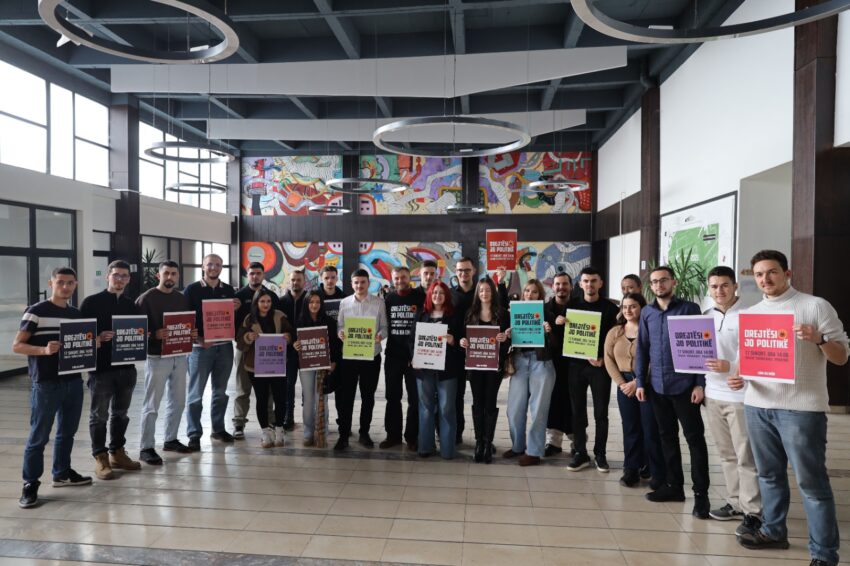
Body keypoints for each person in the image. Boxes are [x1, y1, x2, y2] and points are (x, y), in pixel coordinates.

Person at [731, 250, 848, 566]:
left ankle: (824, 553)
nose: (765, 279)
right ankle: (773, 531)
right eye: (759, 274)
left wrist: (819, 338)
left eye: (771, 272)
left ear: (787, 273)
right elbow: (745, 359)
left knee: (811, 483)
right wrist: (739, 377)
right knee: (768, 476)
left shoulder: (815, 306)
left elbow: (841, 356)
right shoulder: (752, 313)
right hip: (757, 406)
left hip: (801, 410)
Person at [635, 266, 711, 519]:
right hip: (657, 386)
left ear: (673, 282)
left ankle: (701, 495)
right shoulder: (647, 312)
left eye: (663, 280)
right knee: (667, 438)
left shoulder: (689, 309)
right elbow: (642, 349)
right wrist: (640, 382)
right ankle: (674, 487)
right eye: (654, 282)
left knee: (694, 440)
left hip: (685, 387)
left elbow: (701, 346)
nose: (659, 285)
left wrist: (700, 383)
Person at [15, 267, 92, 509]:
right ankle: (30, 483)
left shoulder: (76, 315)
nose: (65, 287)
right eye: (60, 282)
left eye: (70, 283)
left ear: (75, 285)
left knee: (67, 433)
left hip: (73, 381)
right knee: (39, 437)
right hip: (46, 383)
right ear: (51, 284)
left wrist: (94, 343)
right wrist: (43, 350)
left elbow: (81, 344)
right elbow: (17, 345)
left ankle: (61, 473)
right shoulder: (36, 311)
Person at [701, 266, 762, 531]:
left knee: (745, 455)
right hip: (712, 395)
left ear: (735, 286)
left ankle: (753, 511)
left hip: (740, 396)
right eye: (714, 286)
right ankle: (735, 502)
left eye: (725, 285)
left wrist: (731, 366)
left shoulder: (750, 316)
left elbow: (757, 354)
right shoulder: (705, 316)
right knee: (726, 454)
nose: (719, 291)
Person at [80, 260, 142, 480]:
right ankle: (100, 457)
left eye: (124, 276)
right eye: (116, 275)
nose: (120, 279)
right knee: (99, 416)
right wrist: (97, 338)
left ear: (129, 279)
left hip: (126, 368)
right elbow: (80, 333)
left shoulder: (131, 305)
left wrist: (142, 336)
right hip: (101, 369)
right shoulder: (91, 302)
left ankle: (117, 452)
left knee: (121, 414)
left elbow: (138, 332)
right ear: (107, 276)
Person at [136, 261, 196, 465]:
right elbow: (136, 329)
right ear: (158, 276)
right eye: (166, 273)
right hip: (156, 357)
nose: (170, 277)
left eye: (173, 274)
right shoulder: (146, 299)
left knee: (178, 401)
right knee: (152, 404)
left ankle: (170, 439)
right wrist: (154, 334)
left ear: (178, 276)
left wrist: (191, 333)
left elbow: (186, 322)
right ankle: (146, 447)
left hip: (180, 355)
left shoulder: (181, 298)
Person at [603, 292, 664, 488]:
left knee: (650, 427)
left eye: (633, 306)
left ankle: (654, 470)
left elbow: (655, 358)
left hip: (647, 384)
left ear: (642, 308)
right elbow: (608, 359)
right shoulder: (615, 332)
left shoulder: (650, 330)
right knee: (630, 427)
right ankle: (631, 468)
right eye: (625, 307)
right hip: (624, 385)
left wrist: (638, 382)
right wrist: (622, 383)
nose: (628, 310)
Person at [183, 253, 240, 451]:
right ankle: (194, 434)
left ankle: (218, 429)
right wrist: (198, 339)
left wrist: (237, 308)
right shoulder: (192, 290)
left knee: (220, 392)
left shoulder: (229, 290)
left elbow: (232, 319)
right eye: (210, 264)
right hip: (200, 349)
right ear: (203, 266)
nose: (213, 268)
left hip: (224, 346)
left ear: (222, 267)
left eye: (217, 265)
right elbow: (185, 319)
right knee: (195, 393)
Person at [565, 267, 619, 473]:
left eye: (593, 281)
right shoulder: (571, 306)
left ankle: (600, 454)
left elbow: (616, 339)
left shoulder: (610, 309)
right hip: (576, 365)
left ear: (600, 283)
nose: (589, 284)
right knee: (577, 411)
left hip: (600, 367)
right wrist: (559, 321)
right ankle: (580, 452)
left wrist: (604, 359)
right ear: (580, 284)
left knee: (601, 413)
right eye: (586, 281)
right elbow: (564, 335)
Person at [504, 279, 556, 466]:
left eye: (534, 292)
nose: (529, 295)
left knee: (538, 409)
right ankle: (518, 446)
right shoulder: (514, 312)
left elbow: (557, 345)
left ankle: (534, 452)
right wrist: (508, 335)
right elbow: (506, 341)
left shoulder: (547, 313)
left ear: (540, 295)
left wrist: (549, 332)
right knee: (514, 409)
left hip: (541, 363)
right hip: (520, 360)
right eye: (527, 291)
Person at [335, 269, 388, 451]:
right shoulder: (344, 303)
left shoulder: (379, 303)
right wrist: (341, 333)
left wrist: (380, 336)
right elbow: (340, 326)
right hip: (349, 357)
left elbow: (384, 327)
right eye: (356, 282)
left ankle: (364, 432)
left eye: (363, 282)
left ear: (368, 283)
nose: (359, 285)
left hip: (371, 356)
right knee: (346, 397)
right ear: (352, 284)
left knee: (368, 396)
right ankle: (343, 435)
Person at [459, 277, 510, 464]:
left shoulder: (502, 314)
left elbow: (510, 340)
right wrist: (462, 342)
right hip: (475, 366)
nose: (484, 293)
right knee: (477, 402)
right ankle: (479, 442)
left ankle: (488, 443)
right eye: (481, 290)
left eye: (488, 290)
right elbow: (463, 336)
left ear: (493, 292)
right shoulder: (471, 313)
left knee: (490, 402)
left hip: (494, 367)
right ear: (477, 293)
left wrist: (505, 338)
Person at [236, 288, 293, 448]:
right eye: (262, 301)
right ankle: (265, 432)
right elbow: (240, 340)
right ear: (256, 302)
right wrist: (248, 337)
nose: (266, 304)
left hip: (277, 365)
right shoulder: (249, 319)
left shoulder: (279, 316)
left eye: (268, 301)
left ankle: (279, 429)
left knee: (280, 398)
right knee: (261, 399)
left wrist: (288, 337)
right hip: (255, 367)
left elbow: (291, 333)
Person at [412, 281, 460, 459]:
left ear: (446, 296)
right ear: (429, 296)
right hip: (424, 370)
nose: (437, 296)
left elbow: (463, 342)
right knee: (425, 408)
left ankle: (447, 450)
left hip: (448, 371)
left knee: (446, 409)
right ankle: (425, 447)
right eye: (434, 293)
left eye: (441, 293)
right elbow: (412, 340)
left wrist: (453, 341)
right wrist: (414, 357)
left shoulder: (454, 316)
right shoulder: (421, 315)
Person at [232, 261, 281, 439]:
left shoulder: (272, 296)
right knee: (242, 388)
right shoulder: (238, 296)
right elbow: (230, 322)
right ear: (247, 275)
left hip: (268, 349)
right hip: (244, 348)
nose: (255, 276)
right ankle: (239, 423)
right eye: (252, 273)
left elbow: (278, 320)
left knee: (267, 389)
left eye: (258, 273)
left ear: (263, 275)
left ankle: (269, 421)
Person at [382, 266, 424, 450]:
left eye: (403, 277)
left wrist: (416, 354)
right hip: (393, 356)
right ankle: (393, 436)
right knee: (392, 397)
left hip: (414, 357)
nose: (400, 281)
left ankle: (412, 437)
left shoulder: (420, 297)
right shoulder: (389, 298)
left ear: (410, 278)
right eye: (396, 278)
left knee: (414, 399)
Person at [293, 291, 341, 446]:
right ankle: (308, 431)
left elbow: (335, 344)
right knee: (308, 399)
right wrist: (295, 345)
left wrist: (334, 362)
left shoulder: (329, 321)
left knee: (322, 398)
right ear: (306, 304)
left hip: (324, 365)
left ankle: (322, 429)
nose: (314, 305)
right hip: (306, 366)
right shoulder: (299, 321)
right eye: (311, 302)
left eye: (317, 302)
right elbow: (294, 341)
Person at [545, 272, 574, 457]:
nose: (561, 287)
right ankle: (553, 442)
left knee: (574, 403)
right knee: (552, 401)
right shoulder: (544, 309)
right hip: (551, 362)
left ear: (571, 286)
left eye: (564, 284)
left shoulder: (579, 308)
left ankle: (577, 442)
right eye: (557, 284)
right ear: (552, 286)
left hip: (574, 364)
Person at [450, 257, 477, 444]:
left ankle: (482, 437)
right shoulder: (450, 294)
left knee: (480, 397)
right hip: (456, 353)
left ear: (473, 271)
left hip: (480, 351)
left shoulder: (481, 292)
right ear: (456, 271)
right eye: (460, 270)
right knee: (456, 396)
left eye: (467, 270)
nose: (463, 273)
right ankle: (457, 432)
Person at [280, 270, 307, 430]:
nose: (295, 282)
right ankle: (288, 416)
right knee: (288, 385)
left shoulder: (309, 300)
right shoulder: (281, 301)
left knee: (307, 386)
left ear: (304, 282)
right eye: (293, 280)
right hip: (288, 351)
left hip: (306, 349)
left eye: (298, 280)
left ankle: (307, 417)